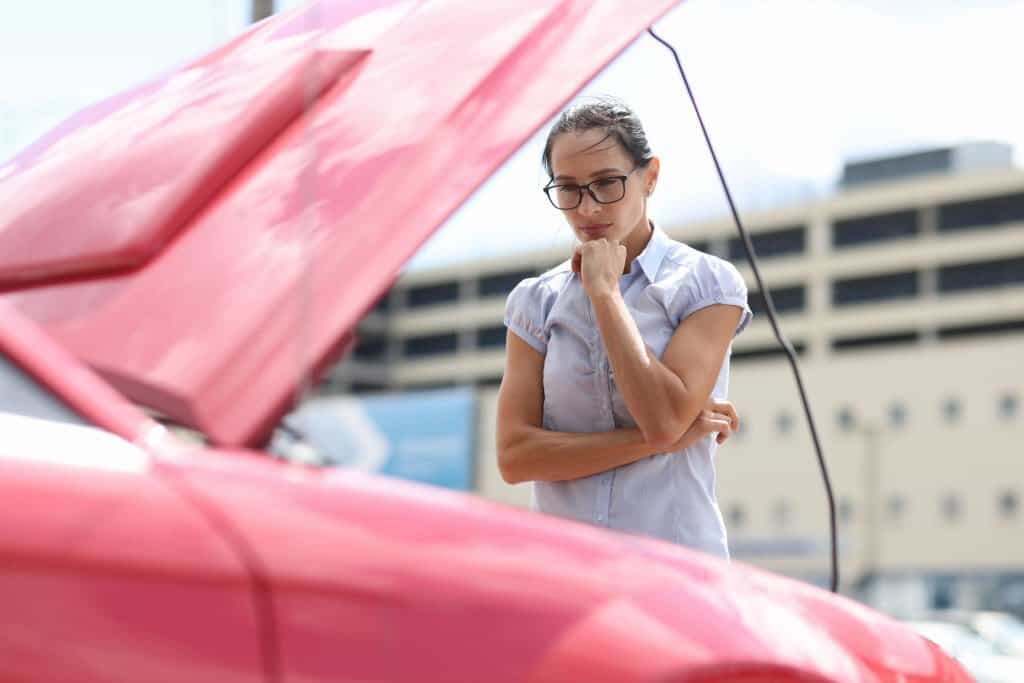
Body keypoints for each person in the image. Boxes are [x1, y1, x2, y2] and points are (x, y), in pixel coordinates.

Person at [495, 97, 751, 558]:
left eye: (606, 183)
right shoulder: (535, 301)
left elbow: (664, 418)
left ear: (649, 177)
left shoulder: (706, 284)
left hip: (674, 570)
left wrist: (605, 294)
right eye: (568, 188)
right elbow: (515, 457)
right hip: (565, 572)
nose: (587, 207)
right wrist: (658, 440)